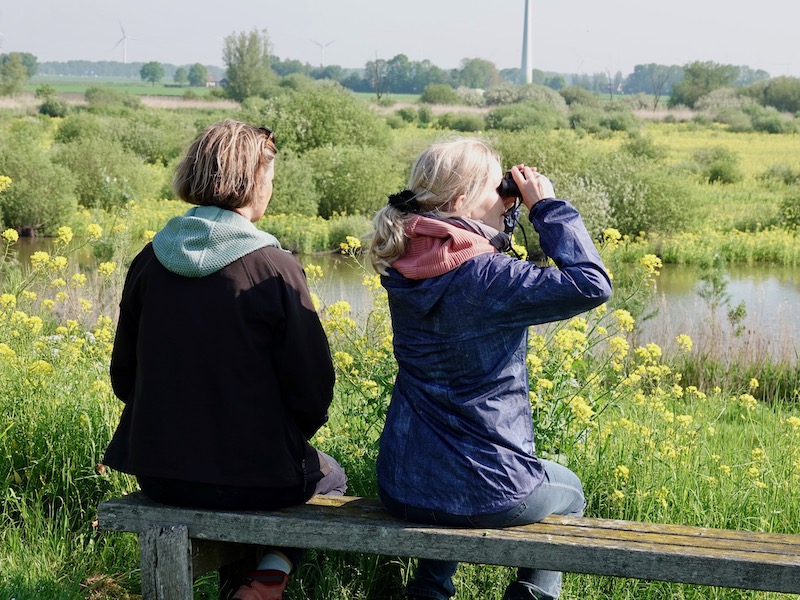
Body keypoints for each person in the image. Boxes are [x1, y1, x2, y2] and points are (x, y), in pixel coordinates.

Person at [104, 119, 347, 600]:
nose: (271, 190)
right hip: (257, 480)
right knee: (333, 475)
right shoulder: (274, 267)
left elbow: (123, 377)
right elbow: (313, 390)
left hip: (159, 475)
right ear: (255, 182)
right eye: (271, 179)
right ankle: (269, 577)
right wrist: (280, 441)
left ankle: (244, 586)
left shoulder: (149, 260)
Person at [369, 137, 612, 600]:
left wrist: (502, 217)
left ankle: (429, 590)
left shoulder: (402, 263)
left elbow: (466, 248)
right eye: (495, 187)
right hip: (491, 488)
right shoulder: (488, 277)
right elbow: (592, 284)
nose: (506, 196)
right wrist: (547, 207)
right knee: (571, 492)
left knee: (448, 491)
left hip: (402, 483)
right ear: (461, 201)